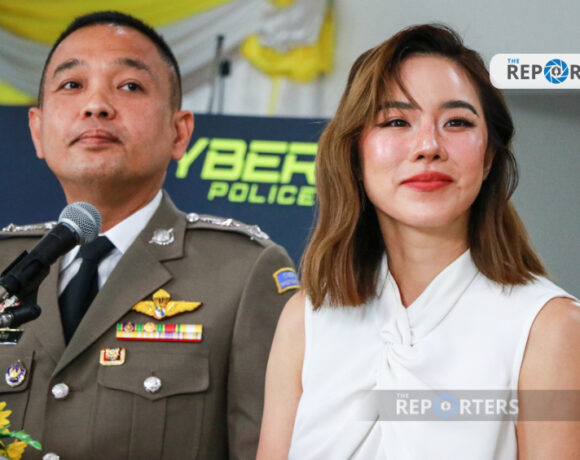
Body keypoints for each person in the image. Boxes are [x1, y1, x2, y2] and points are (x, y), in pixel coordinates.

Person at [257, 24, 579, 459]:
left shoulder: (551, 328)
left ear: (488, 157)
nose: (428, 146)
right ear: (354, 154)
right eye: (396, 121)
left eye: (457, 122)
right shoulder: (305, 318)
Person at [0, 11, 298, 460]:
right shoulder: (8, 267)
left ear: (179, 132)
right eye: (72, 84)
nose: (96, 105)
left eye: (129, 86)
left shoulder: (243, 273)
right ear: (37, 131)